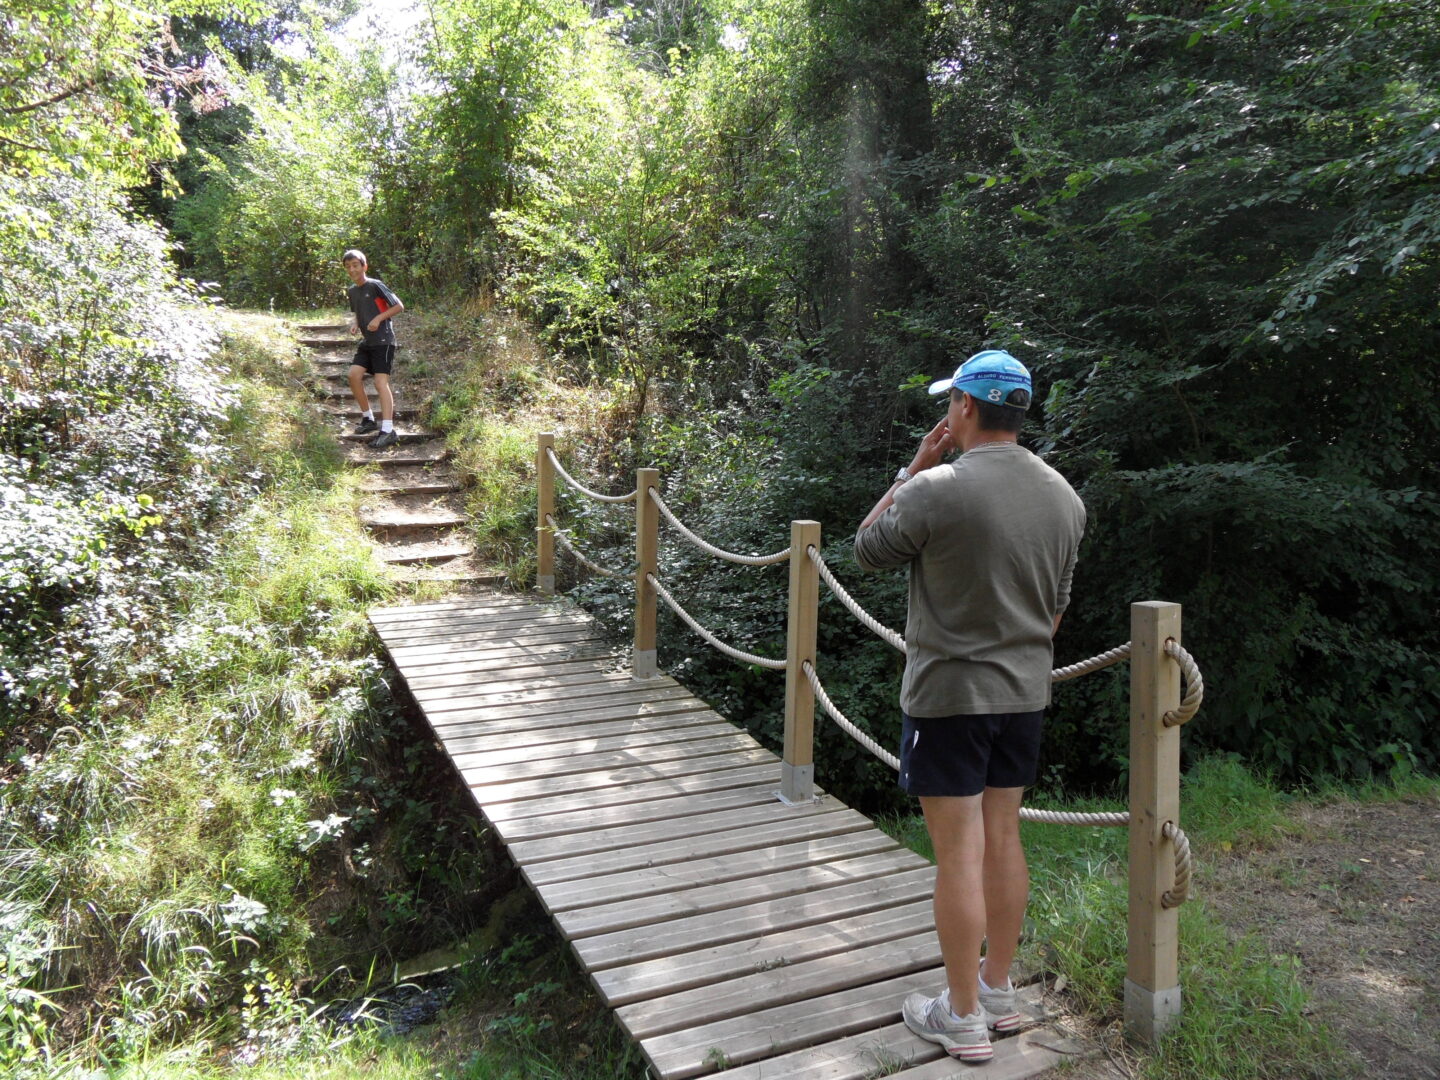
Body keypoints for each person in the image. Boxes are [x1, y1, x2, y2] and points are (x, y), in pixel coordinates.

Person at [853, 349, 1086, 1065]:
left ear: (962, 408)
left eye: (948, 402)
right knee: (1004, 835)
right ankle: (997, 993)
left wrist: (913, 469)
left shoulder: (938, 487)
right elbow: (1054, 615)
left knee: (957, 853)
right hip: (1023, 694)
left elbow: (866, 549)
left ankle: (958, 1018)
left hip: (949, 695)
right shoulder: (1064, 497)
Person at [342, 249, 405, 449]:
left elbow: (398, 306)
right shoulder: (352, 291)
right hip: (368, 342)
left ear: (364, 266)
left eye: (355, 265)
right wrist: (355, 323)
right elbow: (358, 313)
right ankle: (368, 419)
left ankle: (388, 430)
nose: (352, 269)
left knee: (380, 383)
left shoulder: (375, 285)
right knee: (353, 375)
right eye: (348, 267)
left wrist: (378, 319)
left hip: (384, 341)